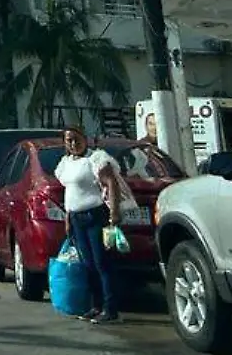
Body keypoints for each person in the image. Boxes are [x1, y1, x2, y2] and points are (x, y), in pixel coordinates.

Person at [55, 126, 130, 325]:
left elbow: (111, 183)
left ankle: (111, 309)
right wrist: (67, 219)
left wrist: (114, 213)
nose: (73, 143)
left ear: (85, 139)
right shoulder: (66, 163)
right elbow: (69, 193)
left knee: (102, 263)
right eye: (68, 140)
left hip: (95, 216)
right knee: (88, 265)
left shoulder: (96, 159)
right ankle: (95, 306)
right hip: (76, 218)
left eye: (76, 139)